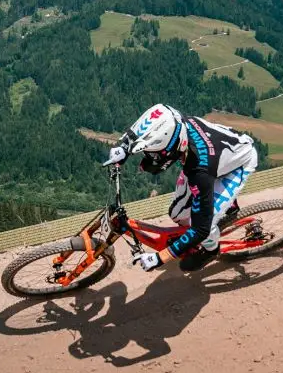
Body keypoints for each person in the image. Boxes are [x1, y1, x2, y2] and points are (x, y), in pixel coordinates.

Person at [105, 103, 258, 272]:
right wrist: (124, 147)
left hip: (239, 164)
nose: (151, 158)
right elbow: (154, 116)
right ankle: (226, 206)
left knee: (201, 224)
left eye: (156, 154)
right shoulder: (175, 123)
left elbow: (200, 229)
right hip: (221, 154)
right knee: (177, 213)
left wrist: (160, 258)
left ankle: (210, 251)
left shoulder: (199, 172)